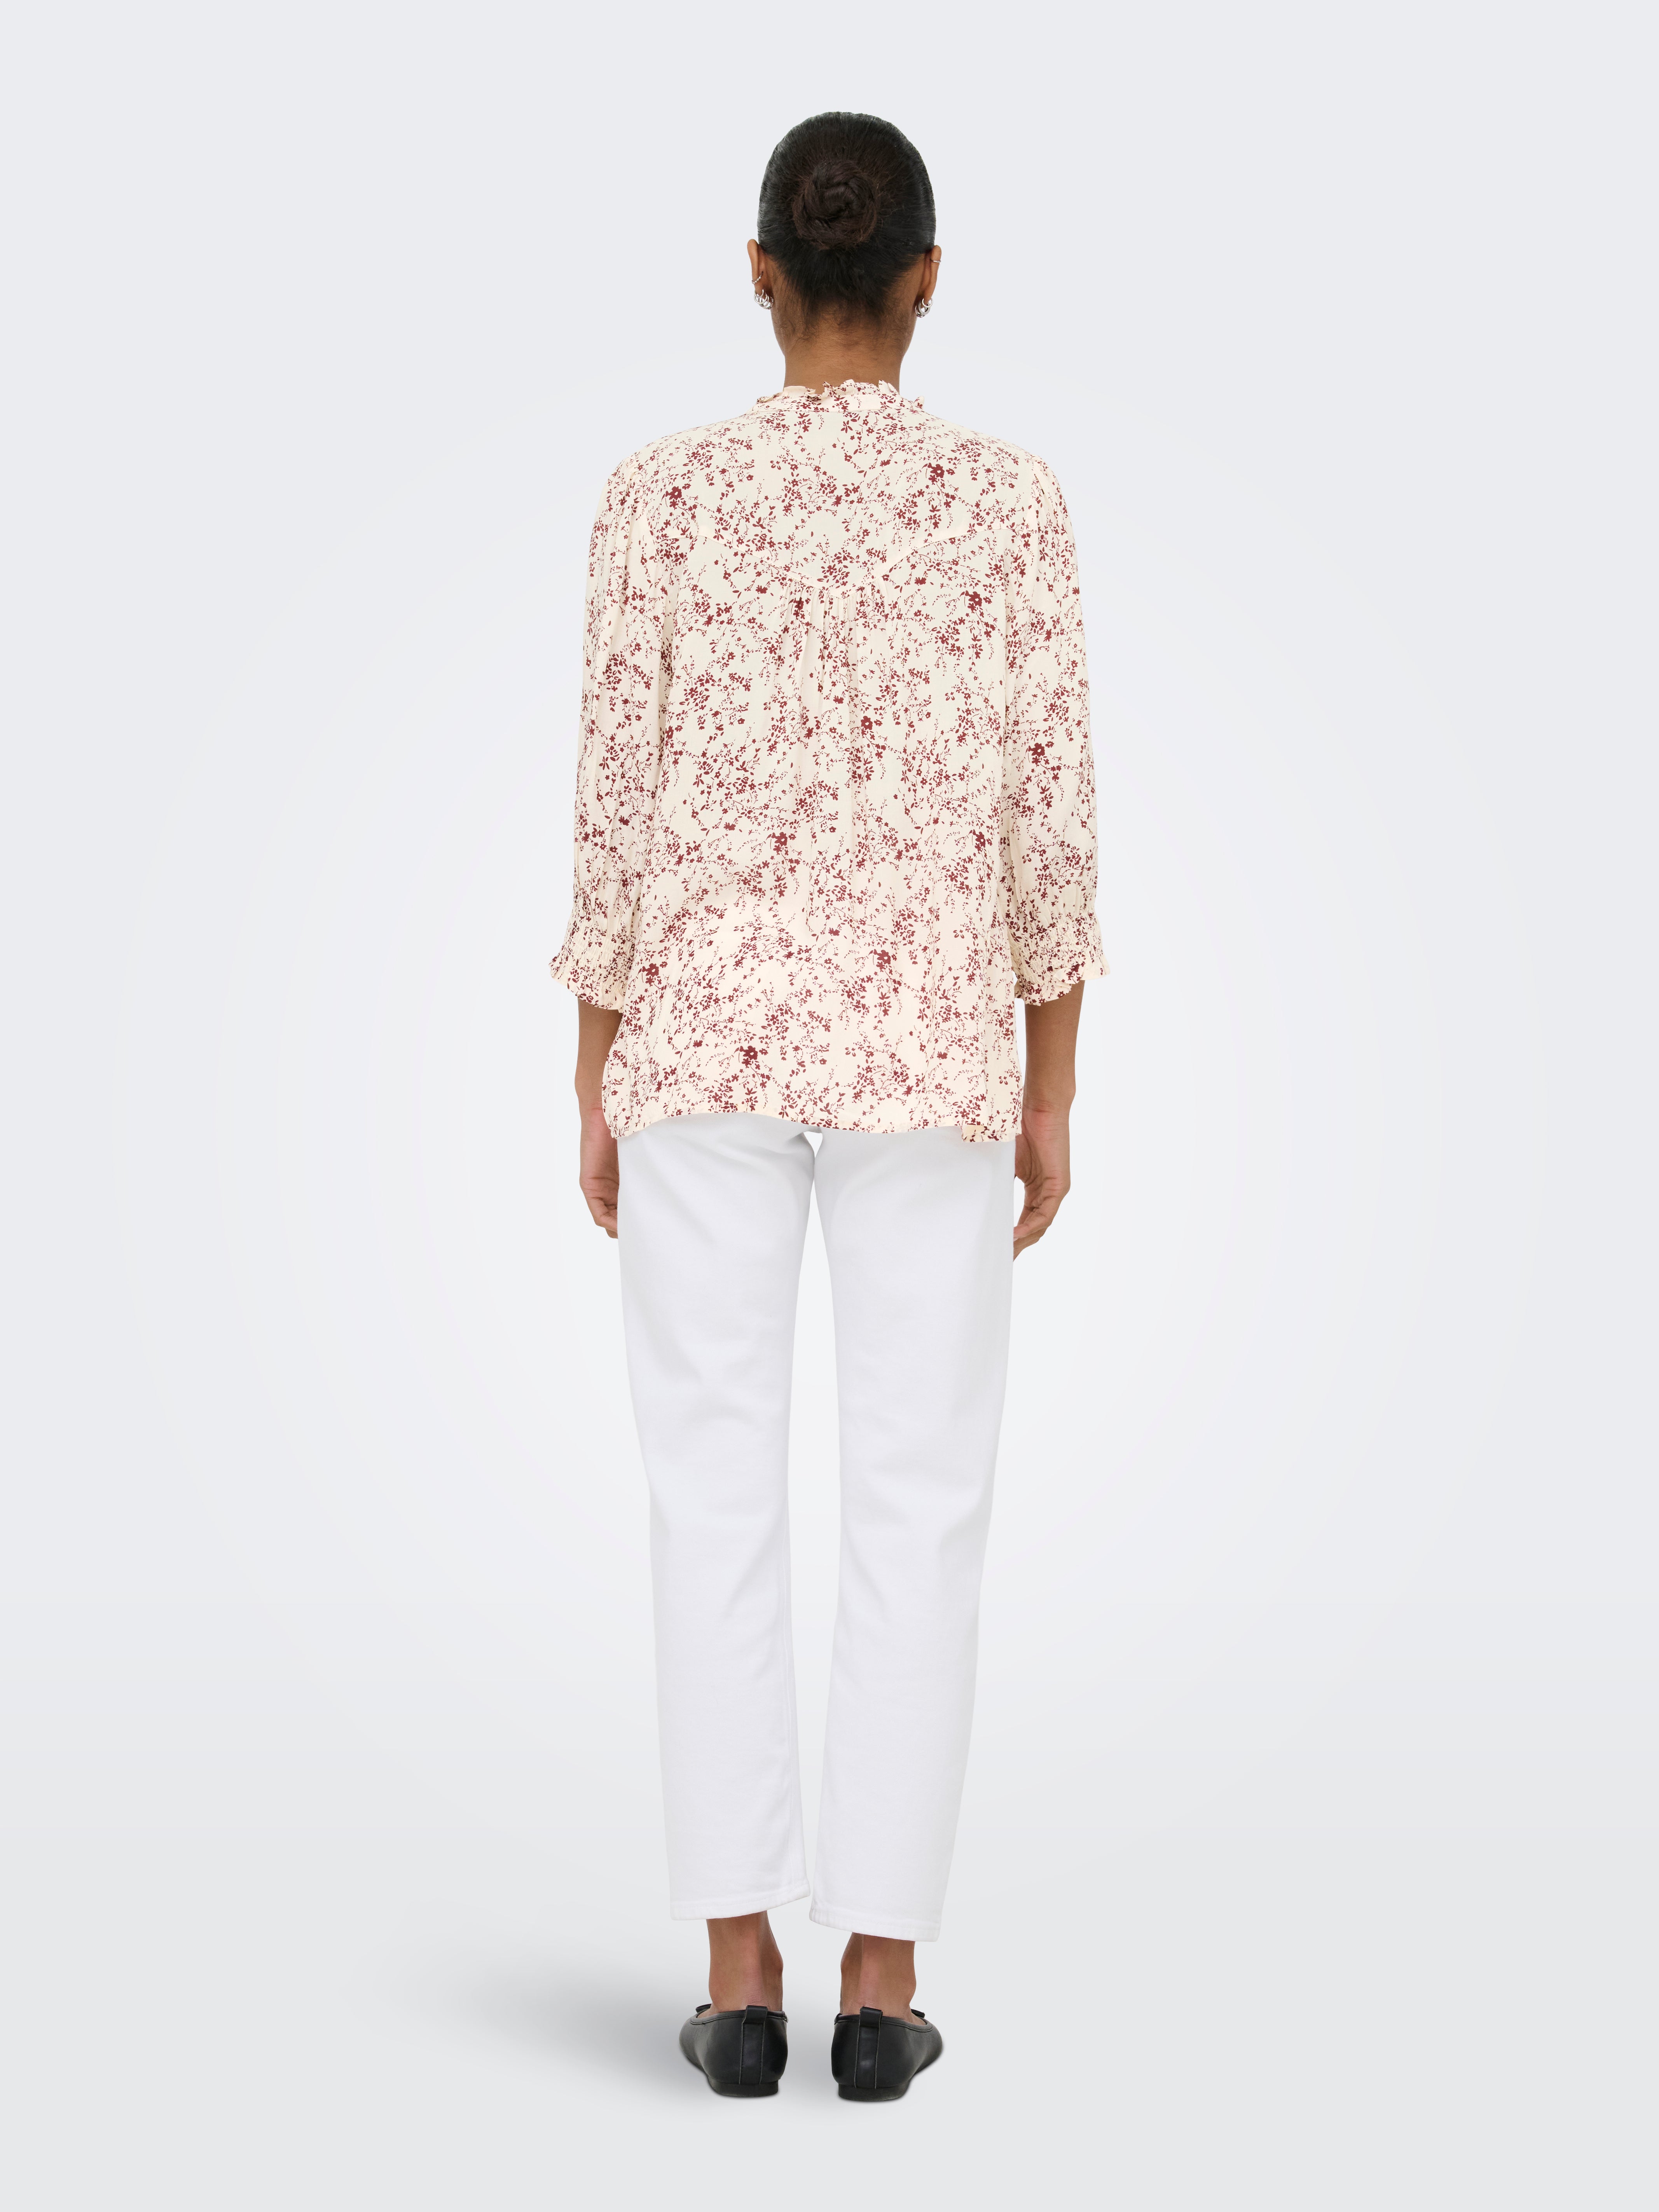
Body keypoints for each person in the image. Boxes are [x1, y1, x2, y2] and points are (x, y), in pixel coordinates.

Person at [549, 110, 1104, 2101]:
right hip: (930, 1053)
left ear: (760, 274)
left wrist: (595, 1069)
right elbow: (1050, 817)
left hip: (701, 1042)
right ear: (926, 279)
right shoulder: (1009, 505)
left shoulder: (656, 497)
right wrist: (1048, 1087)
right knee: (916, 1503)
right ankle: (877, 1981)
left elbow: (614, 806)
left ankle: (733, 1979)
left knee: (709, 1495)